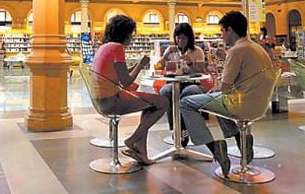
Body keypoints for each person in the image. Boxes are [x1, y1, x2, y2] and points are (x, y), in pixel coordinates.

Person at [180, 11, 275, 177]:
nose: (221, 35)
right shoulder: (256, 48)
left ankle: (215, 147)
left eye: (222, 31)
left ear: (230, 30)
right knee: (217, 102)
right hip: (260, 105)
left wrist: (210, 92)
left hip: (241, 104)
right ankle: (242, 140)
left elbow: (224, 88)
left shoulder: (237, 50)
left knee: (186, 103)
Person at [92, 15, 168, 165]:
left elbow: (120, 75)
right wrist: (141, 65)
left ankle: (141, 151)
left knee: (150, 103)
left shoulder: (105, 47)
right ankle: (132, 140)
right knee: (163, 102)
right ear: (125, 34)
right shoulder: (117, 48)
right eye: (131, 34)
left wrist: (135, 66)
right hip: (112, 100)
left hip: (100, 99)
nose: (132, 37)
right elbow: (126, 82)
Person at [155, 23, 205, 146]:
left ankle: (183, 128)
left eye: (183, 38)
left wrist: (190, 64)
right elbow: (158, 67)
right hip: (172, 82)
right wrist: (165, 56)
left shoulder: (197, 51)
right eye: (178, 37)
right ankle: (175, 128)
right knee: (165, 92)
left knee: (187, 94)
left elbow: (200, 72)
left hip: (191, 83)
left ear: (189, 38)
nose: (180, 40)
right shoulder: (171, 50)